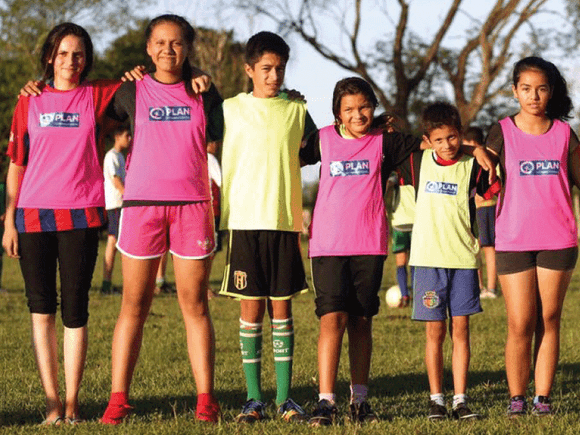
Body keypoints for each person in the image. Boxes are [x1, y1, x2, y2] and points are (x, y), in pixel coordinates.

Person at [299, 77, 494, 426]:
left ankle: (360, 401)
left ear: (373, 107)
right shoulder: (323, 140)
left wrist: (473, 148)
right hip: (327, 246)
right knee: (332, 320)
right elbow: (287, 155)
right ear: (337, 115)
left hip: (369, 244)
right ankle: (326, 402)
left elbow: (436, 144)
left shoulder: (387, 142)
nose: (357, 114)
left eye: (363, 107)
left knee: (361, 321)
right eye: (348, 110)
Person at [99, 14, 225, 424]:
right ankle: (118, 399)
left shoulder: (205, 93)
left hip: (192, 206)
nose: (168, 50)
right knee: (133, 306)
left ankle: (205, 399)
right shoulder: (131, 91)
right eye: (160, 43)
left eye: (176, 43)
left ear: (187, 49)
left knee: (195, 306)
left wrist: (205, 81)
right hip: (141, 208)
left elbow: (229, 131)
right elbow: (94, 114)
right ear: (148, 48)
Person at [4, 22, 121, 425]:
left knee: (76, 310)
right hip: (33, 216)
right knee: (41, 310)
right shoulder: (29, 102)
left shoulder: (98, 94)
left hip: (83, 215)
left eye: (79, 53)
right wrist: (8, 219)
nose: (71, 61)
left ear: (86, 59)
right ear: (50, 56)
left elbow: (144, 85)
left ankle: (72, 403)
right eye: (64, 53)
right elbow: (17, 165)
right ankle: (52, 402)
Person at [485, 56, 580, 417]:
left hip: (558, 240)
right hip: (513, 240)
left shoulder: (565, 134)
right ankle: (516, 398)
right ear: (515, 91)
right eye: (527, 88)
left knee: (548, 319)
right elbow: (478, 176)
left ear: (551, 92)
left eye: (542, 88)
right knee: (520, 322)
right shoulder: (500, 131)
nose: (534, 96)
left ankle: (542, 399)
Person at [217, 31, 315, 424]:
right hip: (243, 221)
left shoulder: (296, 111)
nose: (274, 76)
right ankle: (253, 398)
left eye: (280, 69)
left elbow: (315, 151)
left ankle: (286, 398)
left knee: (282, 309)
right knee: (251, 309)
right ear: (248, 70)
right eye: (266, 69)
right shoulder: (228, 109)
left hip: (283, 221)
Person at [396, 102, 498, 420]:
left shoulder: (474, 165)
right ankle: (437, 399)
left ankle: (460, 399)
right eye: (439, 139)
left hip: (464, 260)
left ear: (460, 134)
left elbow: (495, 187)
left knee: (461, 330)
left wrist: (478, 148)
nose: (447, 145)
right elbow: (388, 145)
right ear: (428, 139)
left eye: (453, 137)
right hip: (427, 260)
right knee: (434, 333)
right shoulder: (416, 161)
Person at [376, 113, 416, 307]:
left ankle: (407, 295)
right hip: (414, 220)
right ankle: (413, 293)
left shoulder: (392, 167)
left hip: (402, 221)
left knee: (403, 261)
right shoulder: (413, 163)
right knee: (414, 261)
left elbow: (388, 186)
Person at [466, 126, 498, 299]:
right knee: (475, 248)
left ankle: (491, 288)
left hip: (487, 207)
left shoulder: (487, 157)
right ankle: (478, 288)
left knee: (488, 249)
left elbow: (494, 184)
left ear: (471, 142)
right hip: (474, 210)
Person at [102, 125, 131, 295]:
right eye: (127, 135)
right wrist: (129, 198)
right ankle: (106, 283)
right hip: (116, 205)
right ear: (117, 136)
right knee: (113, 242)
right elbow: (116, 181)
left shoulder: (120, 156)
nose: (129, 139)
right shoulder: (111, 156)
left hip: (120, 204)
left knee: (117, 243)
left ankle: (111, 282)